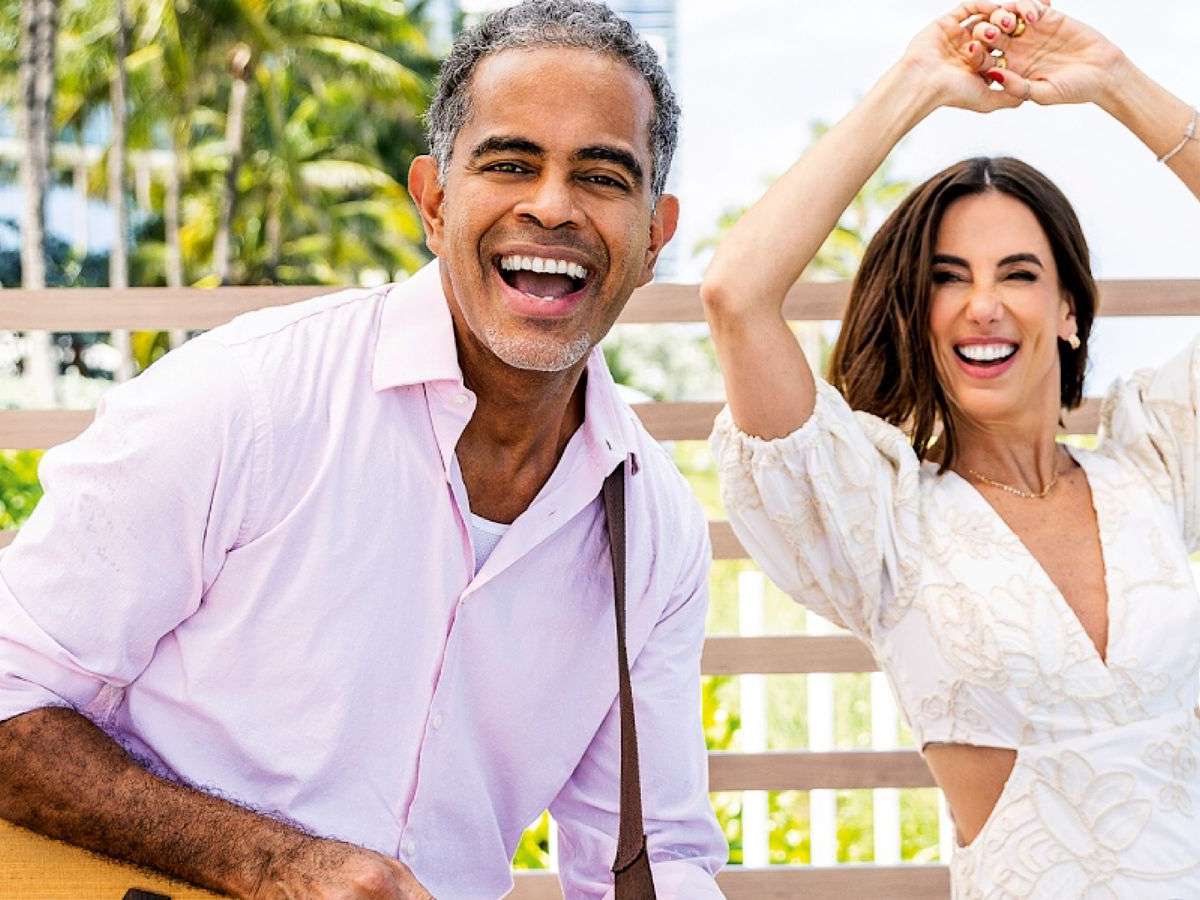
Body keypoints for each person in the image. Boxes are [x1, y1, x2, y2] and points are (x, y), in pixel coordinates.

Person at [0, 2, 727, 897]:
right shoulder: (245, 399)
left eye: (602, 176)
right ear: (434, 201)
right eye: (510, 163)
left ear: (654, 236)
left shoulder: (655, 528)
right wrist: (270, 864)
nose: (550, 205)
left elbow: (655, 854)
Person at [702, 0, 1200, 895]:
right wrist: (916, 85)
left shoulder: (1155, 462)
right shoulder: (883, 517)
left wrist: (1117, 84)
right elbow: (736, 295)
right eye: (948, 279)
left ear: (1069, 310)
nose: (984, 305)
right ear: (918, 314)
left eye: (1019, 273)